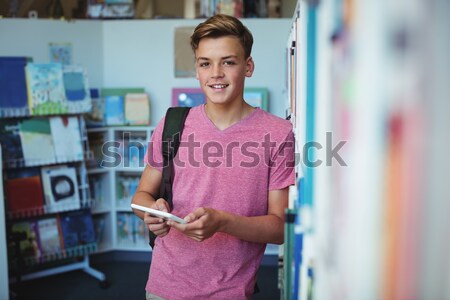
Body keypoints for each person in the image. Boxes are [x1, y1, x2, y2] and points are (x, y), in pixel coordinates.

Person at [131, 14, 295, 300]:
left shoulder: (278, 133)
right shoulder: (172, 124)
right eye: (206, 63)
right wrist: (152, 212)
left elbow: (279, 228)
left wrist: (222, 222)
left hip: (231, 291)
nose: (216, 73)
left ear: (248, 67)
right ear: (197, 70)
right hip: (163, 286)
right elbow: (140, 196)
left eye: (228, 62)